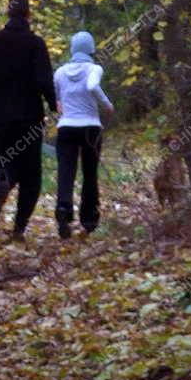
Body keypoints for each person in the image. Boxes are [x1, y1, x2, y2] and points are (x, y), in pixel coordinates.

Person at [0, 0, 56, 238]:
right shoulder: (36, 44)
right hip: (29, 119)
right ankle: (19, 227)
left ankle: (3, 182)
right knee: (31, 176)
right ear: (28, 14)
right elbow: (44, 81)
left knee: (4, 164)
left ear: (7, 13)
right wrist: (53, 105)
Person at [53, 30, 114, 239]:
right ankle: (89, 219)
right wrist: (107, 105)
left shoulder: (60, 72)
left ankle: (63, 209)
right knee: (90, 174)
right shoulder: (95, 69)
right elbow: (92, 86)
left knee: (66, 172)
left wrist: (64, 109)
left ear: (72, 48)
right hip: (90, 128)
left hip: (66, 128)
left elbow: (56, 101)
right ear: (91, 49)